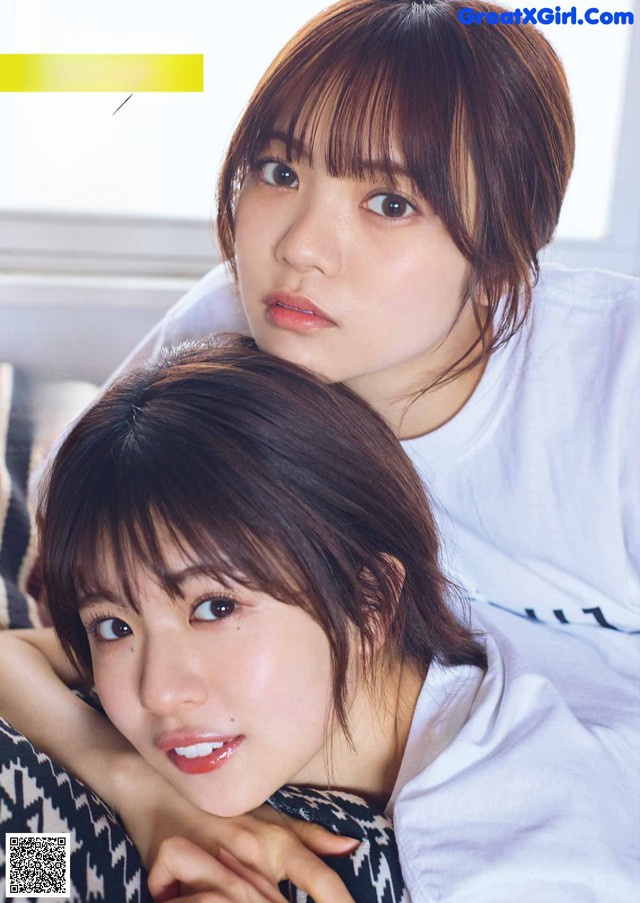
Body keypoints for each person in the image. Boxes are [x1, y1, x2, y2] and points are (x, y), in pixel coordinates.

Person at [5, 0, 639, 895]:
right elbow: (58, 622)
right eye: (277, 168)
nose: (300, 247)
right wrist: (147, 797)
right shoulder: (219, 352)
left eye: (389, 202)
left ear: (504, 260)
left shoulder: (615, 387)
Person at [5, 337, 638, 902]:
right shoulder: (84, 819)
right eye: (114, 626)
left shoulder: (530, 851)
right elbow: (13, 656)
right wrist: (143, 796)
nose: (160, 691)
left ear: (370, 604)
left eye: (216, 608)